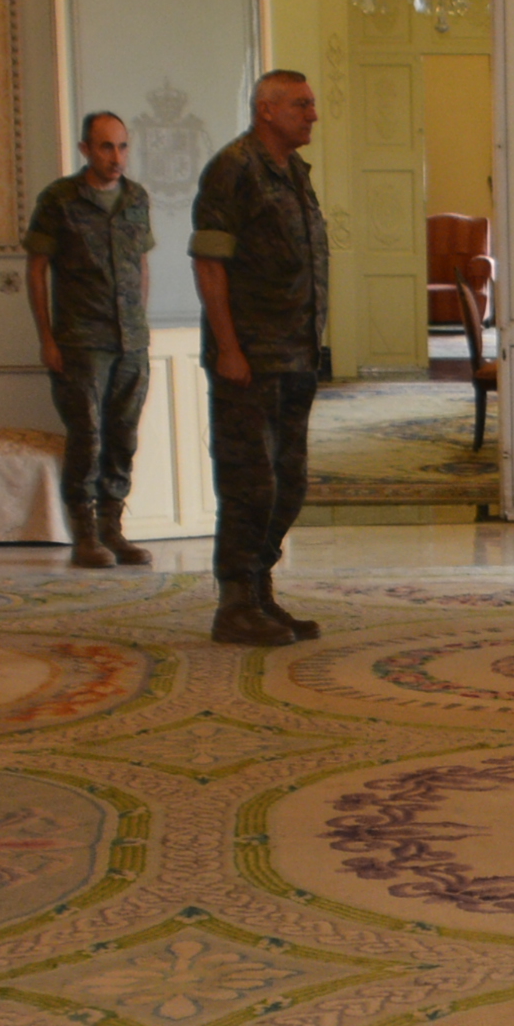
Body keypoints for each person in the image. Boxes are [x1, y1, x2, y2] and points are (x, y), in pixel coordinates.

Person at [191, 67, 330, 647]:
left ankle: (259, 590)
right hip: (249, 357)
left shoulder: (294, 171)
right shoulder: (233, 168)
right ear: (266, 110)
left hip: (296, 354)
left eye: (312, 104)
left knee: (289, 482)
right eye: (301, 104)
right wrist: (228, 347)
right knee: (250, 483)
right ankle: (234, 602)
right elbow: (209, 263)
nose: (313, 114)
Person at [23, 109, 156, 570]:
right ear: (85, 150)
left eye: (122, 146)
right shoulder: (59, 200)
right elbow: (37, 271)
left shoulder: (136, 198)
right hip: (81, 340)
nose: (116, 156)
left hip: (130, 343)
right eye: (105, 146)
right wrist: (47, 337)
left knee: (124, 437)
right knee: (88, 437)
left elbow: (141, 264)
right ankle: (84, 535)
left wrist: (140, 324)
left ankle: (112, 529)